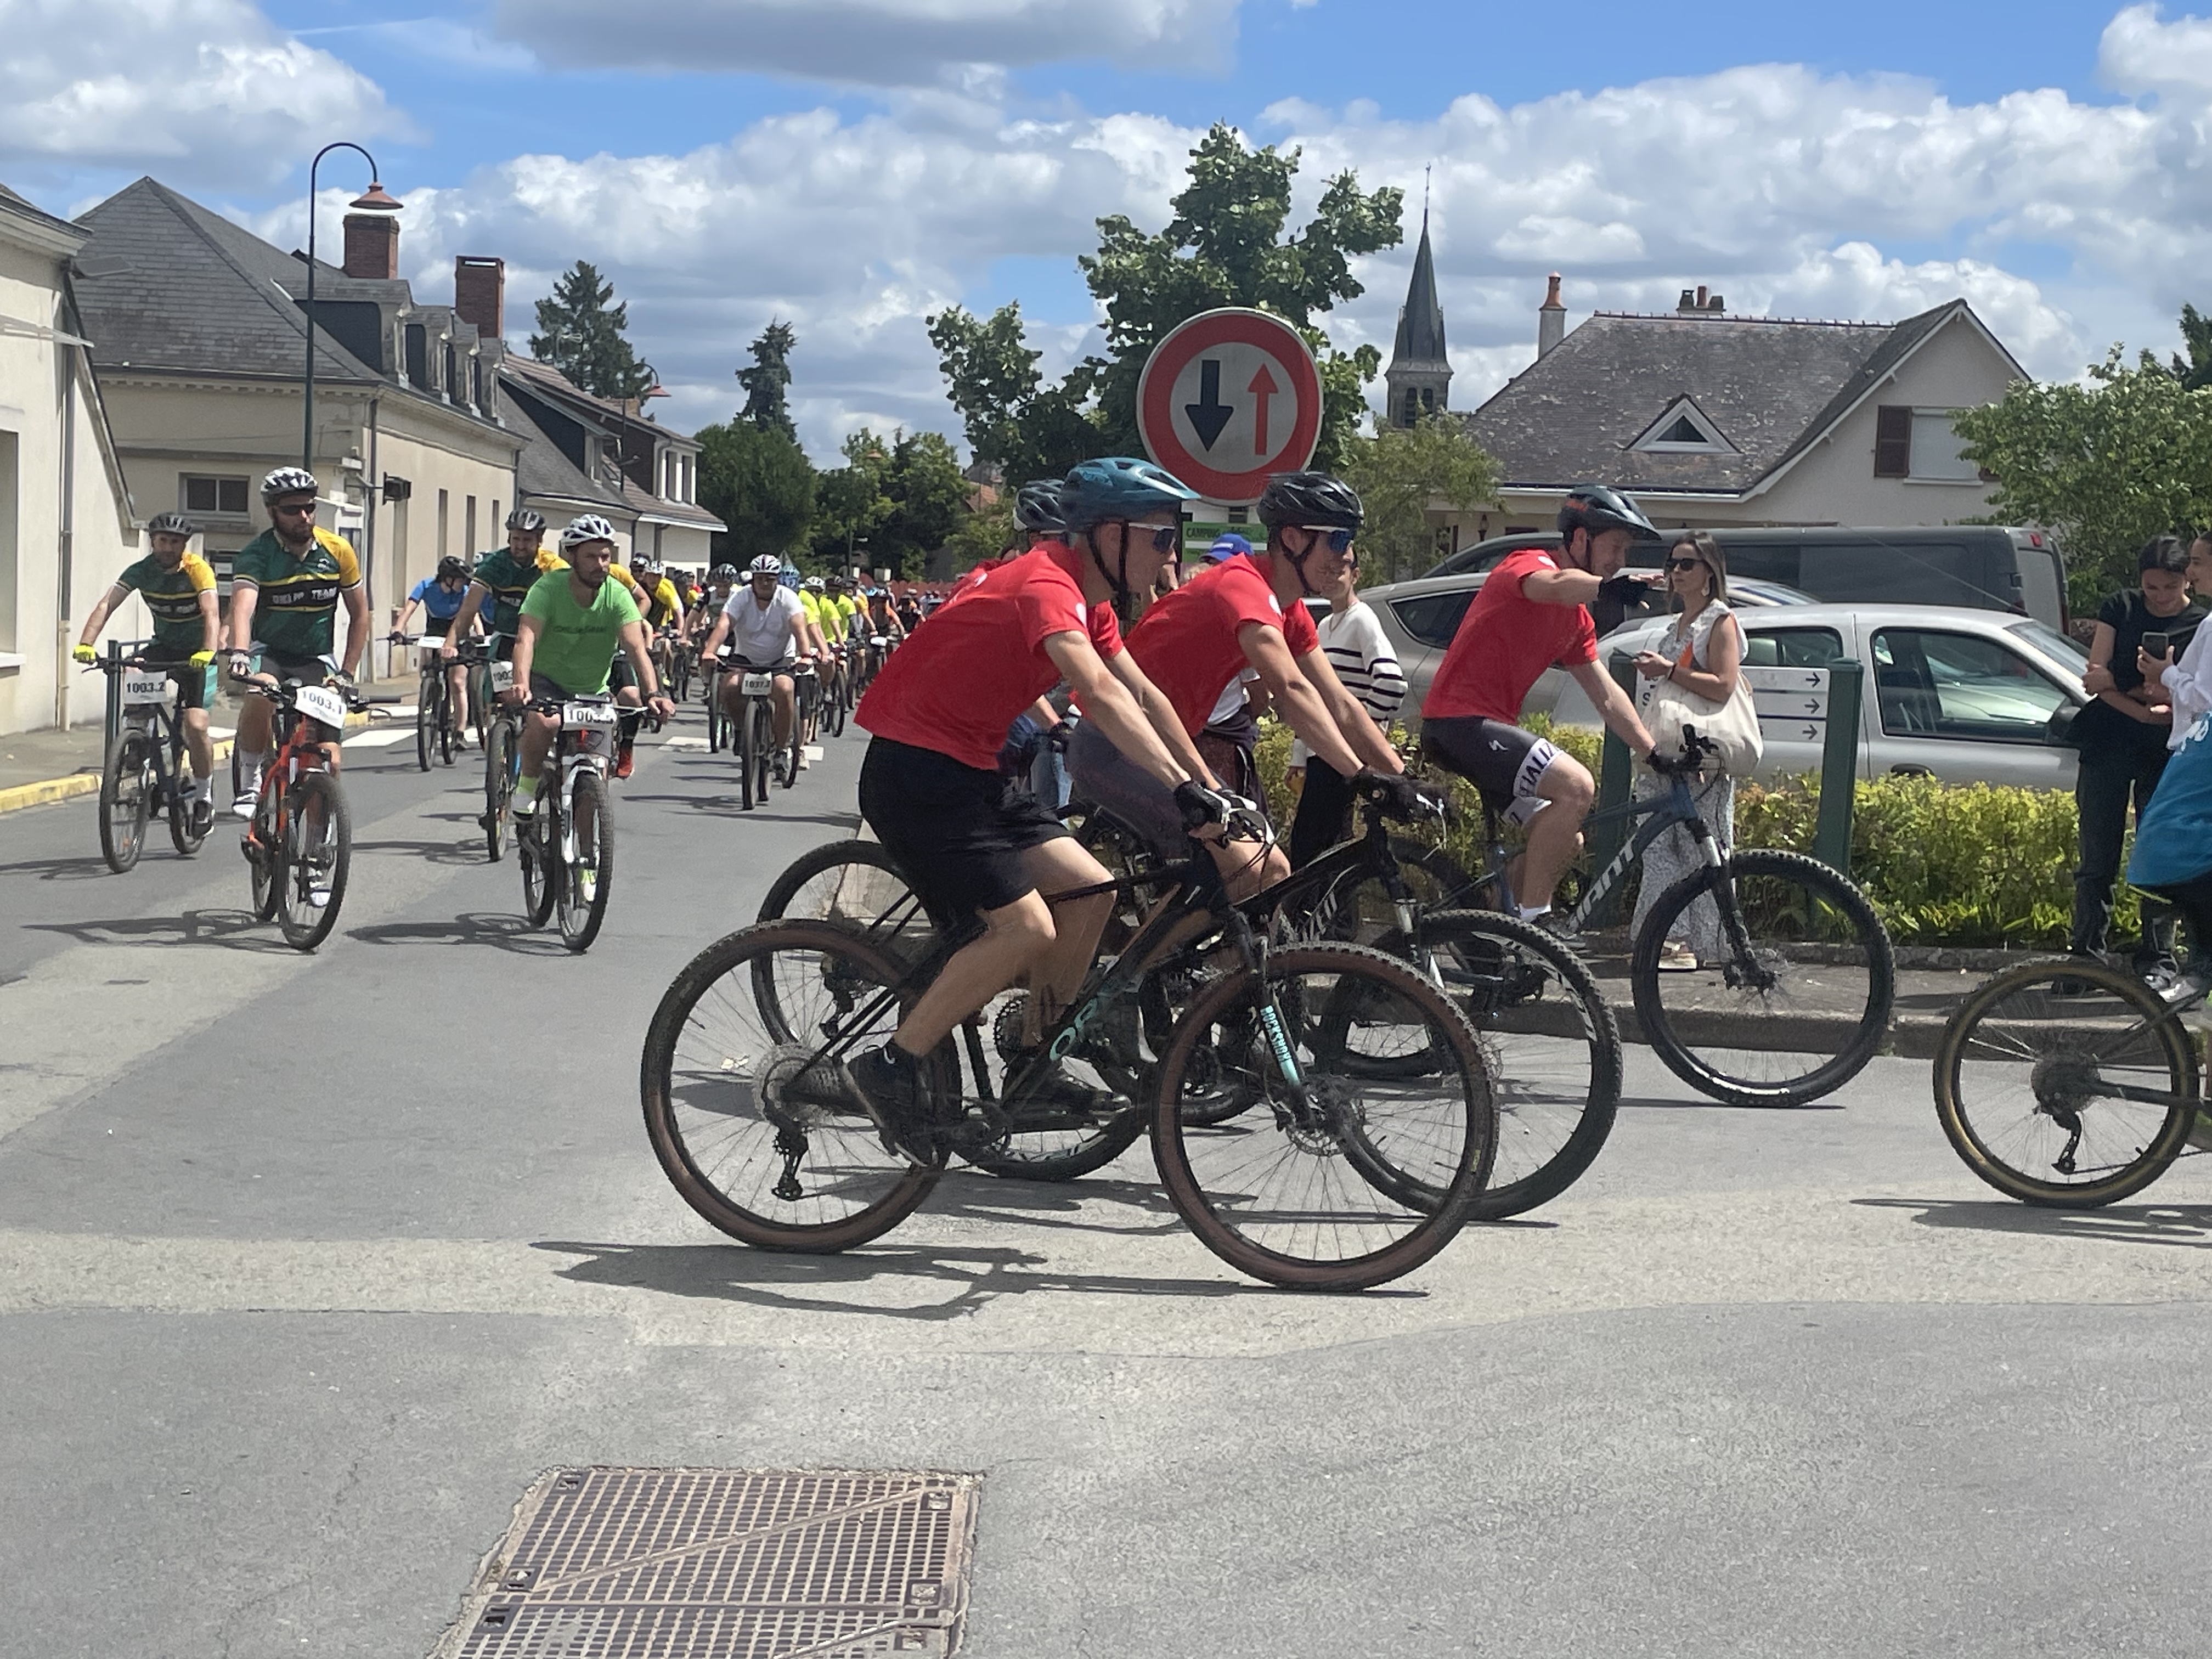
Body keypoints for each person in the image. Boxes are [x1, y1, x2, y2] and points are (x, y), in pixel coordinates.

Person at [847, 456, 1229, 1160]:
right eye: (1161, 536)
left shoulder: (1093, 601)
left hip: (972, 769)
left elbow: (1145, 695)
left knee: (1092, 891)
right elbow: (1100, 696)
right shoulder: (1048, 584)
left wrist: (1207, 785)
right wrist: (1178, 789)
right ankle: (890, 1066)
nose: (1171, 554)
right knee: (1026, 927)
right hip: (916, 771)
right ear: (1109, 535)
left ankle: (1032, 1059)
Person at [1066, 471, 1426, 896]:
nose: (1346, 555)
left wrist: (1404, 779)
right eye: (1338, 539)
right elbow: (1291, 691)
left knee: (1258, 870)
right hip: (1113, 746)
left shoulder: (1288, 610)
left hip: (1160, 744)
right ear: (1293, 539)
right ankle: (1147, 945)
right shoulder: (1242, 586)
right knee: (1252, 869)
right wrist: (1361, 775)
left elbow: (1341, 702)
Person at [1420, 482, 1663, 936]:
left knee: (1564, 839)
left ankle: (1487, 930)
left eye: (1625, 551)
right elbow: (1550, 586)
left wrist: (1653, 752)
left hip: (1483, 733)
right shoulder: (1529, 564)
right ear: (1581, 539)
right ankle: (1536, 927)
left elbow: (1606, 695)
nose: (1619, 560)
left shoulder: (1577, 620)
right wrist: (1604, 588)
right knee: (1576, 787)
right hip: (1460, 723)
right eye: (1614, 546)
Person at [2069, 535, 2204, 986]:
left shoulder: (2200, 623)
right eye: (2151, 587)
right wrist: (2144, 708)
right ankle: (2086, 956)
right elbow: (2095, 679)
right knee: (2097, 854)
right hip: (2109, 738)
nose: (2160, 597)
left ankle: (2158, 958)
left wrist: (2136, 693)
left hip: (2165, 750)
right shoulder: (2120, 607)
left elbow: (2191, 697)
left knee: (2157, 851)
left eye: (2170, 587)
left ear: (2186, 580)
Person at [502, 516, 674, 817]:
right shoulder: (548, 588)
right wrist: (522, 684)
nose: (601, 564)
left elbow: (636, 648)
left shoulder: (617, 595)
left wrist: (653, 693)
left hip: (593, 689)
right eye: (591, 557)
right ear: (572, 556)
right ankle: (527, 784)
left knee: (593, 781)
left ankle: (587, 848)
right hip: (547, 680)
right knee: (545, 723)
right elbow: (526, 639)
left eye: (605, 556)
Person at [1627, 532, 1744, 970]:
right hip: (1665, 750)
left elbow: (1724, 685)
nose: (1676, 572)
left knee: (1702, 850)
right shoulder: (1676, 623)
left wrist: (1668, 670)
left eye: (1687, 564)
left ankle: (1702, 944)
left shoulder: (1720, 621)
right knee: (1657, 846)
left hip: (1700, 752)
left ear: (1709, 572)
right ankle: (1663, 938)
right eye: (1672, 563)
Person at [227, 468, 370, 815]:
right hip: (270, 652)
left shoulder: (338, 550)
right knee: (260, 692)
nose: (303, 516)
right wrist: (240, 653)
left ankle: (320, 836)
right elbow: (242, 609)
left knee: (328, 758)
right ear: (272, 511)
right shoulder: (257, 554)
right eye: (292, 510)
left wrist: (347, 674)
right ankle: (250, 778)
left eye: (309, 507)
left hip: (316, 658)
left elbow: (361, 615)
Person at [73, 511, 222, 833]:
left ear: (185, 545)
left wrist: (208, 651)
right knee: (134, 668)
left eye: (175, 542)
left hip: (197, 654)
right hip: (164, 647)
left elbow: (211, 612)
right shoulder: (141, 571)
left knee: (196, 725)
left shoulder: (197, 570)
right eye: (163, 540)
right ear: (152, 541)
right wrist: (86, 643)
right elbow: (107, 605)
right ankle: (137, 739)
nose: (168, 547)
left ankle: (204, 799)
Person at [1286, 541, 1407, 869]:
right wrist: (1299, 756)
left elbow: (1391, 681)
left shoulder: (1362, 619)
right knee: (1315, 843)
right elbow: (1312, 695)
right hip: (1324, 749)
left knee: (1320, 846)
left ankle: (1330, 903)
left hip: (1342, 753)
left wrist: (1369, 732)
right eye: (1324, 570)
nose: (1330, 577)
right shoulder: (1325, 626)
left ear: (1355, 575)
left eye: (1339, 570)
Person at [698, 554, 825, 770]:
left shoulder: (788, 598)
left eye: (770, 579)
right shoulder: (741, 597)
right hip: (746, 658)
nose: (765, 583)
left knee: (785, 689)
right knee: (730, 686)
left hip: (780, 659)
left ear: (777, 580)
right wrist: (710, 651)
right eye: (760, 579)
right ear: (753, 580)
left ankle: (781, 749)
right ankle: (741, 731)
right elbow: (725, 624)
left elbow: (799, 627)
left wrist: (805, 654)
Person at [395, 554, 478, 736]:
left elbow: (473, 615)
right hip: (434, 634)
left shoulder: (465, 592)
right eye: (460, 580)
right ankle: (430, 691)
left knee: (457, 682)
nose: (463, 584)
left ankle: (460, 732)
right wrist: (398, 630)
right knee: (428, 665)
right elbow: (409, 608)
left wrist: (479, 635)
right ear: (448, 579)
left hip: (458, 636)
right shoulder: (426, 586)